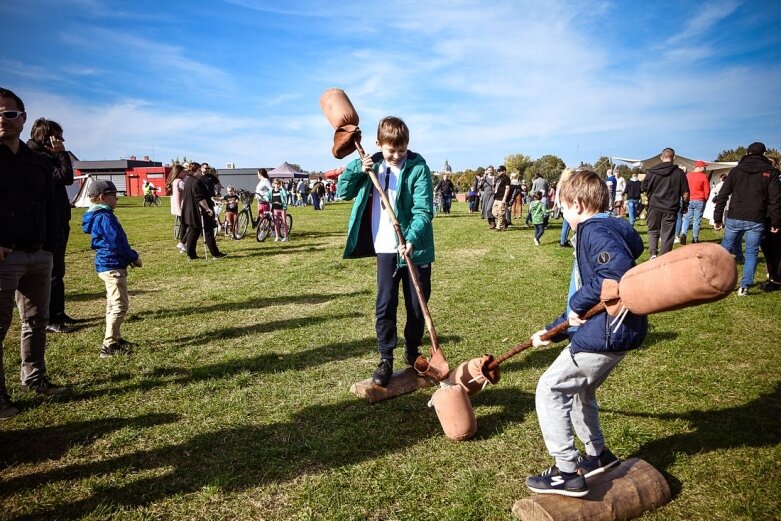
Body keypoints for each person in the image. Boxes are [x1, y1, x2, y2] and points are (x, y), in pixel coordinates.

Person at [525, 170, 647, 497]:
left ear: (578, 204)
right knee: (581, 390)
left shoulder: (594, 230)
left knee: (550, 388)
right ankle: (597, 455)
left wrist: (577, 303)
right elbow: (584, 300)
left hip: (605, 333)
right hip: (614, 331)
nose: (562, 214)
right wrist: (551, 332)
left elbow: (614, 273)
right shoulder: (608, 227)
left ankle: (567, 472)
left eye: (563, 207)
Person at [336, 116, 434, 387]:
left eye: (401, 150)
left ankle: (413, 352)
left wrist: (411, 239)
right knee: (385, 304)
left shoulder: (418, 168)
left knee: (417, 306)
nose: (396, 155)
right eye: (391, 150)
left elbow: (424, 210)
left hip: (416, 250)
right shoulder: (372, 165)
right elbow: (342, 192)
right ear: (379, 144)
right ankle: (385, 358)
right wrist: (357, 167)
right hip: (386, 249)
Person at [0, 88, 70, 419]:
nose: (3, 120)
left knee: (36, 322)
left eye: (9, 114)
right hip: (5, 257)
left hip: (39, 254)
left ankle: (35, 379)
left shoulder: (36, 163)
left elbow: (52, 204)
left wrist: (50, 246)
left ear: (22, 118)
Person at [82, 180, 142, 357]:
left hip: (109, 264)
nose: (117, 199)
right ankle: (108, 346)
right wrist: (133, 257)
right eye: (114, 196)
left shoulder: (100, 215)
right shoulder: (103, 217)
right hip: (112, 265)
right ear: (102, 197)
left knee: (112, 304)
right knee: (119, 306)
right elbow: (115, 242)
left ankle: (115, 337)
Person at [714, 142, 781, 296]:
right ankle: (744, 286)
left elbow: (723, 195)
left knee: (725, 251)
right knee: (751, 253)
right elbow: (776, 199)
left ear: (748, 153)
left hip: (735, 217)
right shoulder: (770, 172)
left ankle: (717, 281)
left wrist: (718, 218)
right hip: (756, 218)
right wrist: (776, 221)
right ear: (763, 154)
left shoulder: (736, 171)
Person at [27, 118, 75, 333]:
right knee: (51, 272)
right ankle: (49, 319)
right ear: (48, 137)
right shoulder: (36, 157)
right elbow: (65, 177)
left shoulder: (45, 156)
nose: (62, 141)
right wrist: (61, 154)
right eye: (59, 137)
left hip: (58, 221)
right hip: (47, 224)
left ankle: (57, 313)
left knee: (58, 271)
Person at [642, 148, 689, 258]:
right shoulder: (679, 173)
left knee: (653, 231)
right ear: (674, 158)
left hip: (654, 207)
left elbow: (643, 187)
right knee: (667, 235)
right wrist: (685, 206)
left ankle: (653, 253)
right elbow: (685, 194)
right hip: (670, 208)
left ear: (661, 157)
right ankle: (663, 259)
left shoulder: (652, 171)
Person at [182, 162, 225, 260]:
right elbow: (200, 198)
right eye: (199, 170)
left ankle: (191, 255)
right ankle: (215, 254)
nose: (201, 171)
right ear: (195, 171)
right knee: (208, 231)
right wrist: (208, 209)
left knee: (193, 232)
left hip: (190, 211)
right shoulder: (196, 182)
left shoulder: (188, 180)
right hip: (198, 212)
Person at [680, 160, 711, 244]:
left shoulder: (687, 176)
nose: (705, 168)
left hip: (689, 199)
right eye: (704, 167)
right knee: (697, 220)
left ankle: (683, 234)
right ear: (700, 167)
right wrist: (706, 199)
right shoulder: (704, 177)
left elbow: (683, 188)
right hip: (700, 200)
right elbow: (707, 190)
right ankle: (695, 238)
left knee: (686, 218)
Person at [166, 164, 187, 252]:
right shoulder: (180, 182)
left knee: (183, 227)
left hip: (176, 208)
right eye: (183, 171)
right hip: (182, 208)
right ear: (178, 172)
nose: (184, 173)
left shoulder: (173, 181)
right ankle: (182, 243)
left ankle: (183, 245)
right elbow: (188, 190)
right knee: (189, 227)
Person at [554, 168, 575, 247]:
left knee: (566, 225)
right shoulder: (568, 185)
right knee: (568, 225)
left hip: (562, 207)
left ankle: (563, 241)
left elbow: (557, 196)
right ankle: (563, 242)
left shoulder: (560, 184)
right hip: (568, 207)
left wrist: (558, 205)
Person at [492, 166, 512, 231]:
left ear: (504, 171)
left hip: (502, 198)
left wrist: (504, 198)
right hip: (496, 197)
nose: (498, 172)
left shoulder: (506, 178)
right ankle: (504, 222)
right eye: (498, 171)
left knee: (501, 213)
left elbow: (507, 188)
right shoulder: (498, 178)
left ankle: (499, 227)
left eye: (500, 171)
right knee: (494, 212)